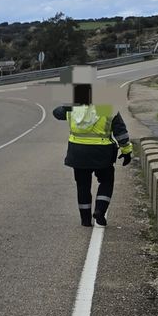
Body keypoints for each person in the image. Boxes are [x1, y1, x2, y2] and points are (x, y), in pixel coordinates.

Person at [53, 84, 133, 227]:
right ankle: (100, 211)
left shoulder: (74, 109)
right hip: (102, 153)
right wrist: (126, 151)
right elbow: (121, 133)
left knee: (83, 185)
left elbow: (56, 112)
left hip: (77, 153)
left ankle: (85, 220)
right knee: (106, 181)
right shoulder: (108, 108)